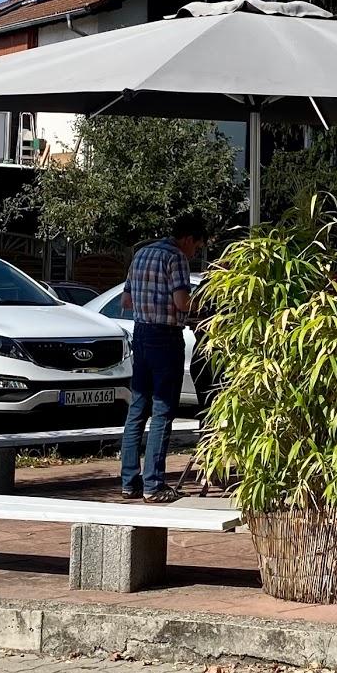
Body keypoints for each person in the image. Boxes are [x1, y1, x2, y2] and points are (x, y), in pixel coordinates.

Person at [120, 215, 206, 502]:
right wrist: (201, 306)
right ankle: (154, 485)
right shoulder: (176, 258)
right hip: (166, 336)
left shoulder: (141, 254)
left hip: (141, 334)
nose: (195, 253)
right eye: (197, 247)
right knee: (162, 410)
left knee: (137, 410)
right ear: (188, 239)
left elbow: (126, 301)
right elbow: (182, 302)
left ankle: (129, 482)